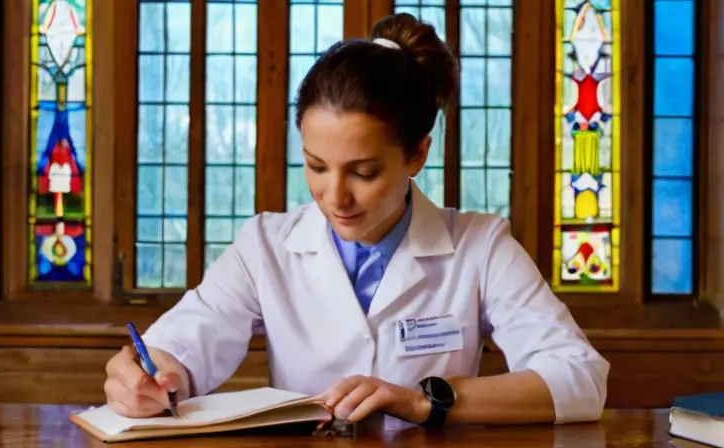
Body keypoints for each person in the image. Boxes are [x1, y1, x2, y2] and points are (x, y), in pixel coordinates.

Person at [104, 13, 609, 429]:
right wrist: (151, 378)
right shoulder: (264, 246)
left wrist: (424, 401)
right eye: (316, 166)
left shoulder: (481, 246)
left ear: (417, 155)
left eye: (364, 172)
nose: (335, 196)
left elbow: (580, 378)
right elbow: (181, 347)